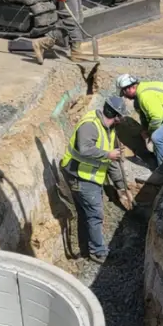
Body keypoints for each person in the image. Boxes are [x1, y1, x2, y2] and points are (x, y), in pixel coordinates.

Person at [59, 96, 134, 264]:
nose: (121, 120)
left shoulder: (109, 129)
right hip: (79, 176)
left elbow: (112, 162)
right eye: (120, 116)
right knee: (94, 214)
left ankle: (85, 249)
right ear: (114, 115)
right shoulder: (90, 126)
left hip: (90, 177)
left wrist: (121, 186)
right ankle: (98, 252)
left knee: (86, 214)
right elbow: (85, 149)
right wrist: (108, 154)